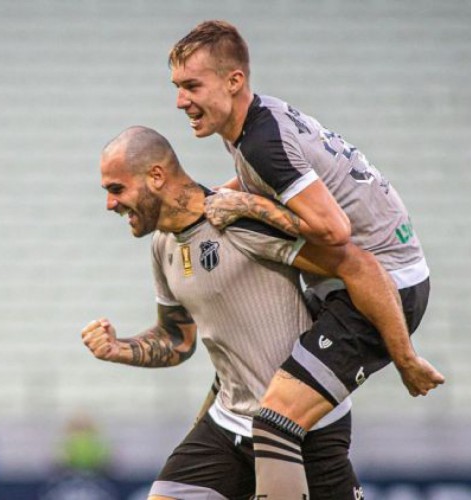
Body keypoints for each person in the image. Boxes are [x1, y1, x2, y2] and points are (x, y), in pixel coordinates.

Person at [169, 20, 446, 497]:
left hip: (383, 289)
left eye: (192, 85)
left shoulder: (261, 140)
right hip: (371, 284)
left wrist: (405, 358)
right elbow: (273, 183)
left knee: (274, 422)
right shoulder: (256, 122)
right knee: (291, 425)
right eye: (176, 88)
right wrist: (213, 197)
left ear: (234, 81)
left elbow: (336, 233)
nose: (180, 101)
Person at [83, 126, 368, 499]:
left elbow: (353, 266)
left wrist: (405, 356)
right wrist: (119, 348)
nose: (110, 204)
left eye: (116, 189)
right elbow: (177, 339)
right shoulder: (162, 245)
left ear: (155, 176)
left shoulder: (237, 218)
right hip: (229, 422)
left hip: (300, 424)